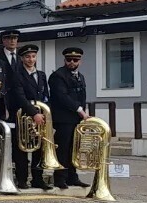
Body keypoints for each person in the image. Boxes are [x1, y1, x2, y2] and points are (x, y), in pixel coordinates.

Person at [9, 43, 52, 191]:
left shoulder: (41, 74)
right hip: (25, 115)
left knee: (38, 148)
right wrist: (34, 113)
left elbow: (45, 95)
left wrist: (45, 113)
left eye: (33, 56)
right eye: (27, 57)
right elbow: (20, 97)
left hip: (40, 115)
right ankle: (22, 179)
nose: (31, 59)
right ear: (22, 58)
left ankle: (37, 179)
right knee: (22, 148)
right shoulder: (17, 75)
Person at [48, 46, 90, 189]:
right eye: (69, 59)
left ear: (80, 61)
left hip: (76, 118)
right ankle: (60, 178)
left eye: (75, 60)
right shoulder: (58, 76)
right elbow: (62, 97)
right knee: (63, 149)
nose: (72, 62)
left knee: (74, 149)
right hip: (63, 119)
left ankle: (73, 177)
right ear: (64, 60)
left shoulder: (80, 76)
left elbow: (82, 97)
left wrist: (83, 111)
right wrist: (80, 110)